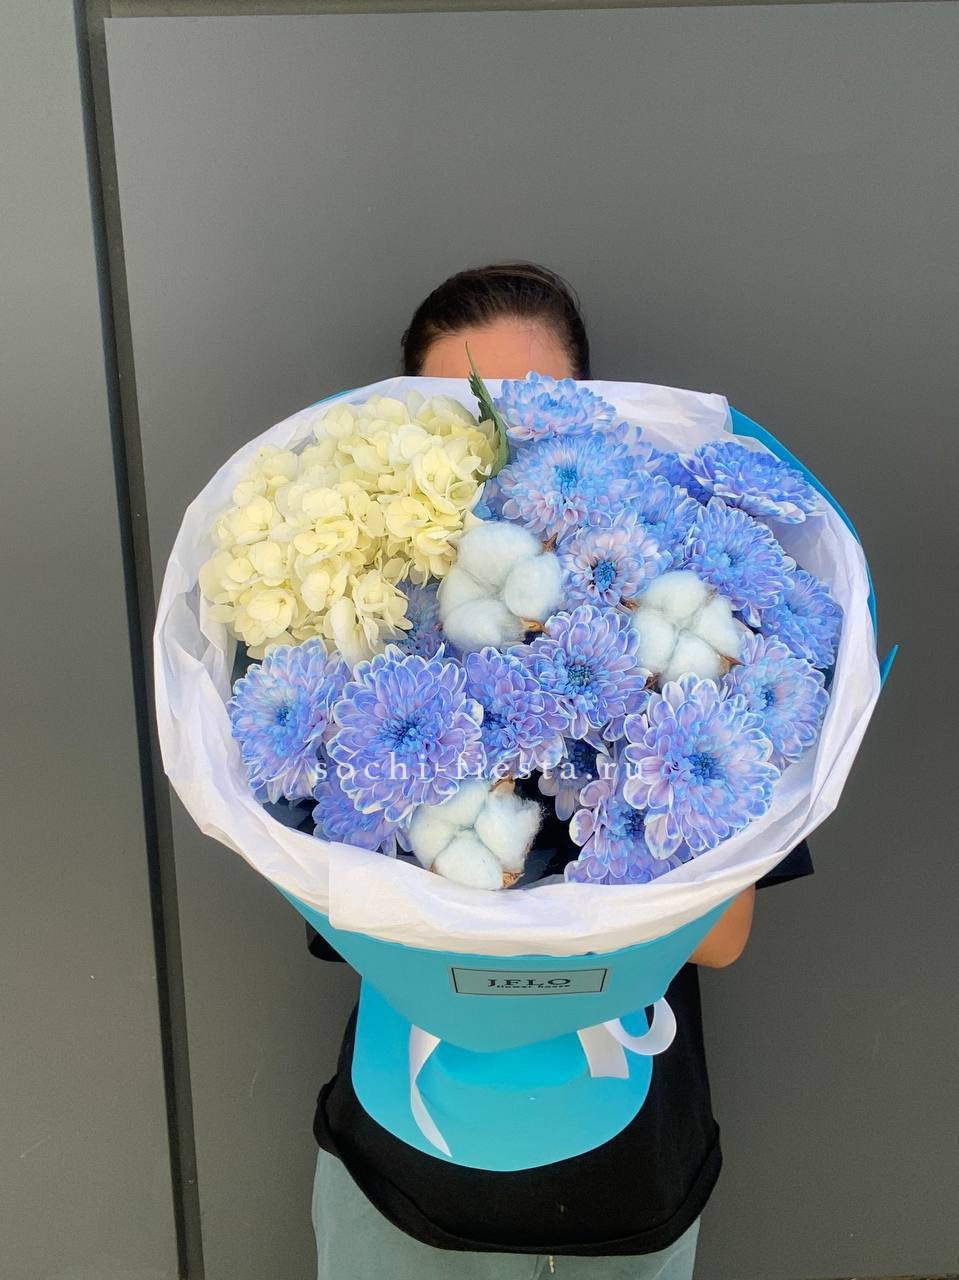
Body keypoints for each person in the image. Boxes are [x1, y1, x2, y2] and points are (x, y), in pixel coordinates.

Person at [307, 262, 814, 1278]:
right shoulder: (356, 640)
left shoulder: (700, 629)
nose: (500, 444)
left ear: (589, 418)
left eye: (530, 409)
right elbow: (350, 922)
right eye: (465, 418)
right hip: (407, 1181)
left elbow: (722, 939)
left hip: (631, 1179)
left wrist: (649, 697)